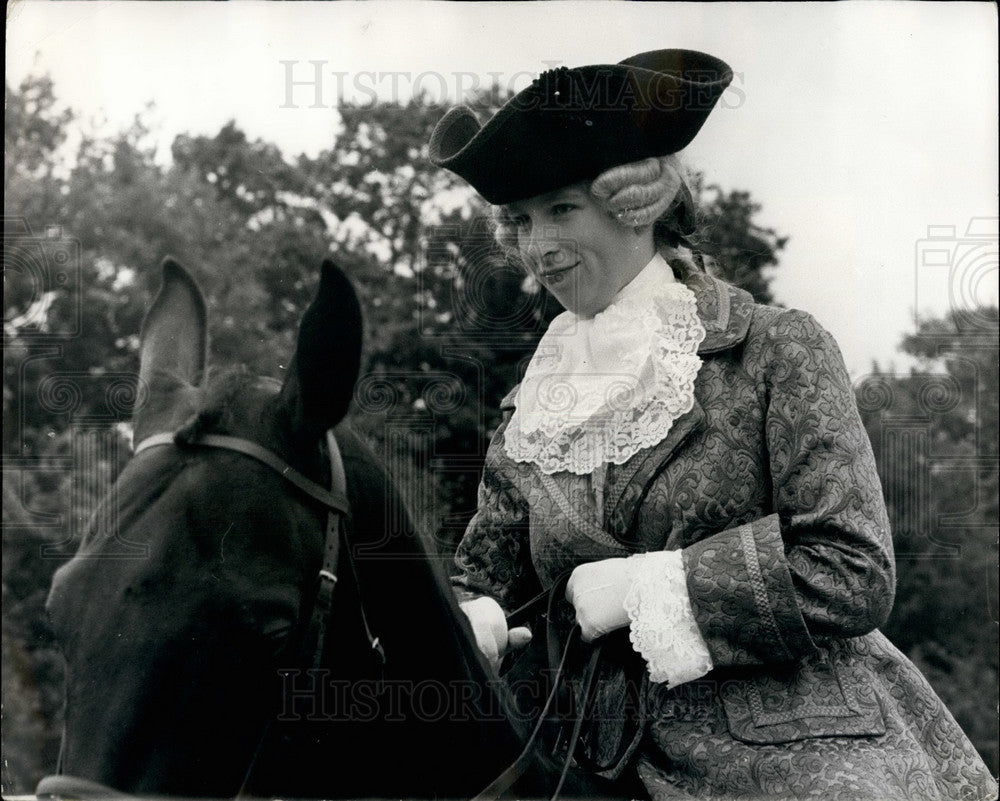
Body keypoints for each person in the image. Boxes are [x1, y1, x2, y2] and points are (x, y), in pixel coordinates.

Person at [429, 49, 997, 800]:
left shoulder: (775, 348)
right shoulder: (528, 406)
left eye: (562, 209)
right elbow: (484, 576)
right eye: (525, 220)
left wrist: (654, 586)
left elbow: (853, 570)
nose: (539, 247)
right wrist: (474, 620)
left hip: (794, 750)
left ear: (637, 204)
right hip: (582, 750)